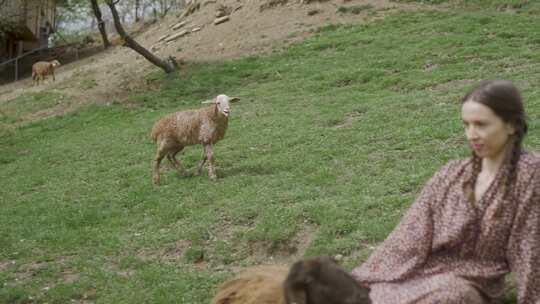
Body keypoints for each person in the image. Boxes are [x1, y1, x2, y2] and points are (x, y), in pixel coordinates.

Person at [351, 80, 539, 304]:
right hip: (423, 272)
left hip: (471, 284)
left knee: (448, 297)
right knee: (370, 294)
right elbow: (410, 234)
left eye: (481, 124)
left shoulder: (530, 175)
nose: (472, 134)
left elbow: (528, 246)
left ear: (511, 125)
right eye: (466, 125)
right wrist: (360, 279)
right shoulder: (451, 174)